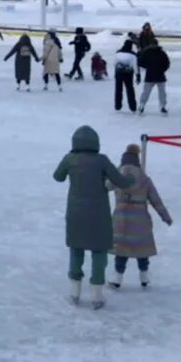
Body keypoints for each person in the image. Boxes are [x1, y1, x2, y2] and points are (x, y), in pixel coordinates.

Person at [53, 126, 135, 309]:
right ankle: (96, 296)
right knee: (99, 252)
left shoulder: (69, 159)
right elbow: (120, 181)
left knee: (76, 250)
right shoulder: (102, 161)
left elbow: (57, 177)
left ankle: (74, 293)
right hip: (99, 214)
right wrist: (131, 179)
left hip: (75, 214)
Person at [109, 143, 172, 290]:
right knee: (142, 249)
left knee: (121, 250)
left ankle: (117, 278)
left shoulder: (117, 175)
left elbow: (104, 186)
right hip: (140, 219)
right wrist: (166, 217)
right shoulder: (144, 179)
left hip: (121, 218)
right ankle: (144, 277)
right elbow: (156, 200)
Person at [137, 44, 170, 115]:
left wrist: (148, 67)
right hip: (160, 75)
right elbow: (167, 63)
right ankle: (162, 106)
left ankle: (142, 105)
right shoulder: (162, 53)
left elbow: (141, 63)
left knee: (146, 92)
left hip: (149, 75)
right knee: (162, 92)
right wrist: (162, 70)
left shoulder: (146, 53)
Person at [113, 41, 138, 112]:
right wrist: (138, 75)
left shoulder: (118, 53)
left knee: (118, 89)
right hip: (128, 74)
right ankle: (132, 107)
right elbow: (135, 66)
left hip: (118, 73)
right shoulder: (132, 55)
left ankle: (117, 105)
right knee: (130, 89)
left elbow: (114, 63)